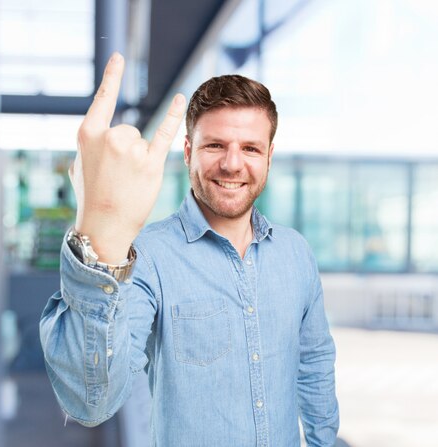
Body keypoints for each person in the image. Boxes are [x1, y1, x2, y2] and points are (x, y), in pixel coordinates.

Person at [39, 52, 339, 446]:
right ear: (187, 152)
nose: (233, 164)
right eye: (215, 145)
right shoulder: (147, 257)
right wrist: (101, 238)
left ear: (269, 156)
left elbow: (314, 365)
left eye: (250, 148)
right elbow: (90, 403)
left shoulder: (296, 253)